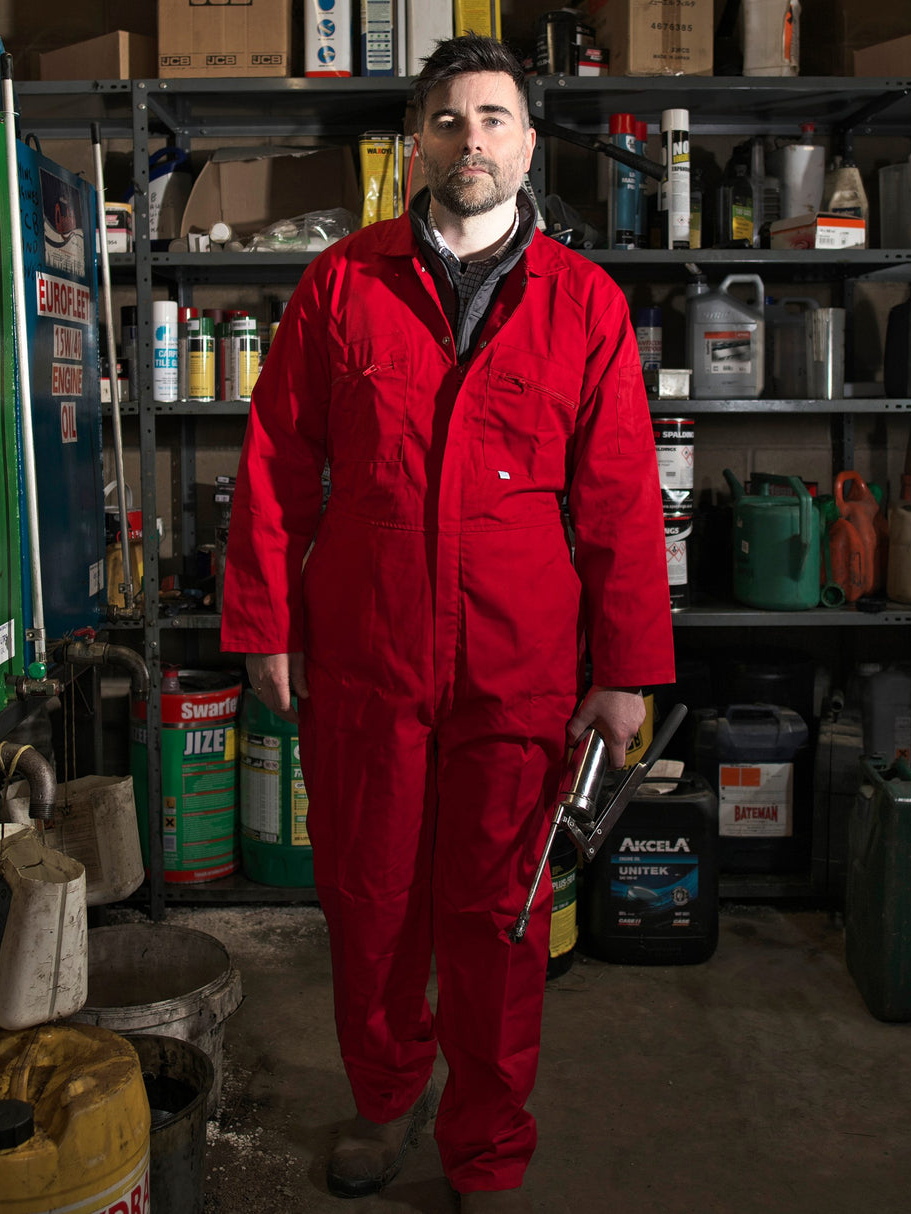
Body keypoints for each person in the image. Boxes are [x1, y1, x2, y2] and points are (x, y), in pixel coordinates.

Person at [220, 33, 675, 1211]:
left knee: (498, 919)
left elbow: (620, 495)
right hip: (368, 655)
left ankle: (483, 1147)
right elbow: (276, 459)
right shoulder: (342, 282)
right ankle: (384, 1101)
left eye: (493, 117)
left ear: (527, 142)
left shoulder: (583, 304)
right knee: (370, 899)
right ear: (414, 143)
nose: (469, 138)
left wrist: (623, 669)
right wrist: (264, 623)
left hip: (518, 669)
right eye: (447, 119)